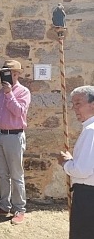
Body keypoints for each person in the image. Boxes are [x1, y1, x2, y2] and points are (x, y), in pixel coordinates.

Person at [0, 60, 31, 225]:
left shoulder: (23, 92)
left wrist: (9, 93)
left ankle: (19, 208)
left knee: (16, 174)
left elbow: (19, 111)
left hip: (14, 136)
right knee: (2, 173)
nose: (7, 75)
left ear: (16, 74)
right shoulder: (0, 92)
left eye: (10, 72)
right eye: (5, 72)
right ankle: (4, 205)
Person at [57, 85, 94, 239]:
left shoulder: (91, 130)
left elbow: (83, 170)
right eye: (73, 104)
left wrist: (66, 163)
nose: (74, 108)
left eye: (78, 103)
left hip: (88, 196)